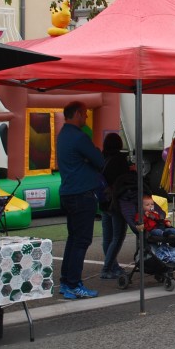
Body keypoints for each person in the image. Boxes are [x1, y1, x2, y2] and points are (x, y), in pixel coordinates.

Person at [56, 101, 104, 300]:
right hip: (82, 193)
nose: (85, 118)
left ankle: (66, 281)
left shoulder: (63, 135)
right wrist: (90, 159)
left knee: (73, 238)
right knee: (81, 240)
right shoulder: (79, 137)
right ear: (76, 114)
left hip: (68, 192)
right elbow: (99, 161)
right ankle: (74, 283)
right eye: (84, 114)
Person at [100, 132, 130, 279]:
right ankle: (107, 268)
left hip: (104, 201)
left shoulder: (102, 157)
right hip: (117, 202)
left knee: (107, 237)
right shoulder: (120, 160)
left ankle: (112, 266)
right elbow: (125, 180)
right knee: (118, 236)